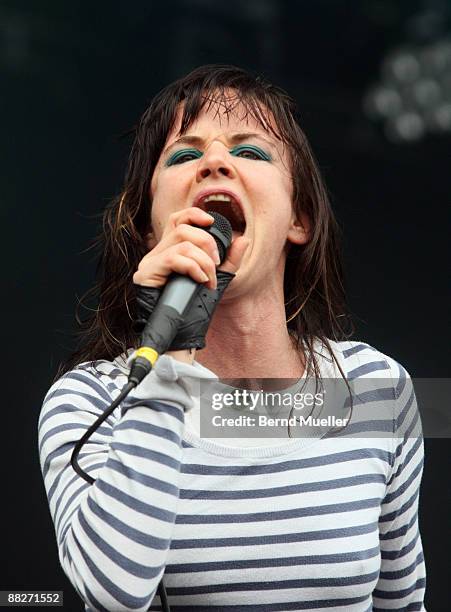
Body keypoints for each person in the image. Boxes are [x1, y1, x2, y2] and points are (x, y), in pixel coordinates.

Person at [38, 65, 426, 611]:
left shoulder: (377, 390)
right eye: (182, 155)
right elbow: (113, 593)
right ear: (152, 228)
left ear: (301, 218)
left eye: (251, 152)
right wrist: (170, 362)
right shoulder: (91, 402)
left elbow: (404, 603)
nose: (215, 162)